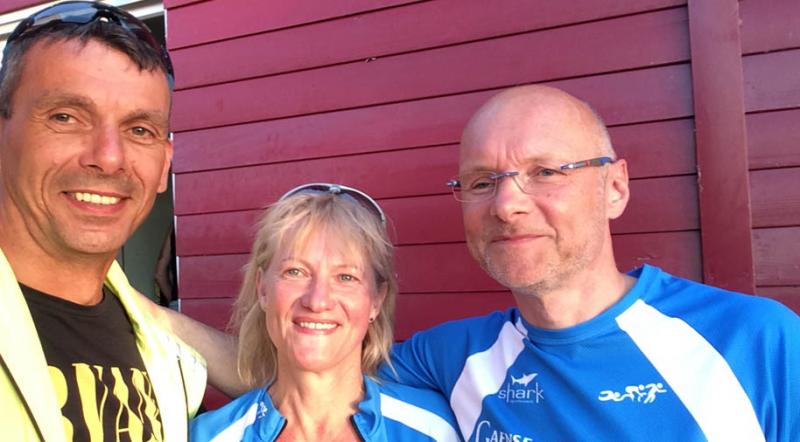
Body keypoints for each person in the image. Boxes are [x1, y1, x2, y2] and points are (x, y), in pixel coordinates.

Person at [384, 85, 800, 441]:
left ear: (615, 188)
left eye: (545, 172)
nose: (506, 205)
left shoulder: (755, 340)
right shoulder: (445, 359)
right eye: (480, 182)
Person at [0, 2, 205, 440]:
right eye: (66, 117)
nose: (109, 157)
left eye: (139, 130)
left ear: (165, 165)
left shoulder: (174, 369)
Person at [190, 183, 461, 441]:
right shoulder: (207, 436)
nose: (317, 301)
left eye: (346, 277)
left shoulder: (431, 430)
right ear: (262, 289)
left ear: (376, 300)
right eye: (295, 272)